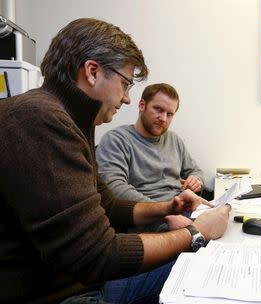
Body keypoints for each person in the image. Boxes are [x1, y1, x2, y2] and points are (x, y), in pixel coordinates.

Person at [0, 18, 231, 304]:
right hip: (63, 294)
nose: (126, 99)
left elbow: (106, 205)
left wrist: (167, 206)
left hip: (86, 280)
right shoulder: (38, 120)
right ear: (93, 72)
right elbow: (96, 255)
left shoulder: (71, 120)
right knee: (204, 265)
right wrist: (196, 233)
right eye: (125, 84)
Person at [96, 83, 204, 204]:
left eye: (169, 114)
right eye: (158, 109)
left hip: (183, 207)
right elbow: (115, 188)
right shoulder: (116, 140)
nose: (163, 118)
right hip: (151, 216)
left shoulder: (174, 139)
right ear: (142, 105)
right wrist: (163, 211)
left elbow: (196, 171)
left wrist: (196, 180)